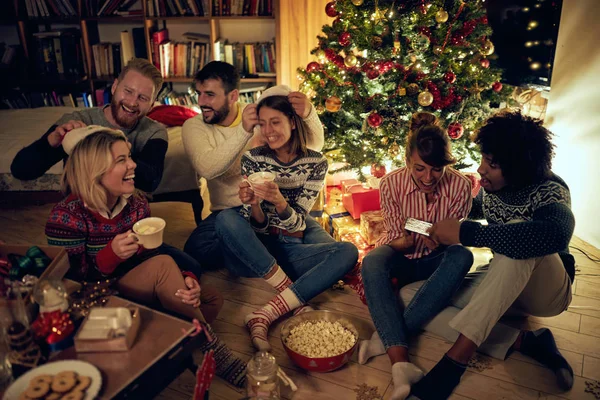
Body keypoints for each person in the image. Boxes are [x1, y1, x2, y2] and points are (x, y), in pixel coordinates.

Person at [44, 127, 246, 388]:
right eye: (121, 160)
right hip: (93, 300)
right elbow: (69, 284)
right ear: (95, 171)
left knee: (208, 299)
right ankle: (209, 345)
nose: (133, 165)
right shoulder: (66, 217)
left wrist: (185, 280)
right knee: (180, 294)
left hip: (131, 287)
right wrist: (109, 256)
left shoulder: (137, 204)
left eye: (129, 156)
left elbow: (151, 256)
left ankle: (159, 330)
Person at [408, 111, 575, 399]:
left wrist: (465, 234)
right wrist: (432, 214)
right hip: (505, 285)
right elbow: (468, 211)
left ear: (518, 169)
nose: (482, 168)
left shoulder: (550, 190)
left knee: (519, 235)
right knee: (413, 297)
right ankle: (525, 342)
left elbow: (555, 233)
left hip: (547, 292)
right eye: (484, 157)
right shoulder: (491, 187)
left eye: (492, 164)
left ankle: (455, 362)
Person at [214, 89, 358, 351]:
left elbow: (298, 224)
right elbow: (256, 225)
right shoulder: (253, 158)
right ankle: (295, 296)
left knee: (348, 251)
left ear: (293, 122)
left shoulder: (315, 163)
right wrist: (253, 204)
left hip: (289, 244)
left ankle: (265, 313)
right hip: (253, 252)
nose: (268, 131)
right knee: (226, 218)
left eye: (276, 122)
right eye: (263, 123)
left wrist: (280, 201)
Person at [358, 113, 474, 400]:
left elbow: (454, 235)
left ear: (447, 164)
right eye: (419, 168)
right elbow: (399, 234)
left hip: (438, 260)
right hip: (402, 254)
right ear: (408, 160)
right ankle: (399, 359)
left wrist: (432, 232)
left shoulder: (461, 185)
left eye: (436, 170)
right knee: (372, 261)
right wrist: (431, 230)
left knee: (463, 256)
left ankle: (384, 341)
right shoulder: (390, 183)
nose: (428, 178)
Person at [181, 61, 329, 270]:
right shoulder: (193, 126)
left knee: (331, 247)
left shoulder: (262, 112)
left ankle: (259, 254)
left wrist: (308, 114)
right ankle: (280, 253)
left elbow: (313, 148)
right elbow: (207, 167)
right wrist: (244, 132)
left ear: (233, 96)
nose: (201, 101)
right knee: (197, 251)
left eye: (210, 95)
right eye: (199, 93)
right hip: (230, 212)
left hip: (279, 205)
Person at [11, 58, 168, 193]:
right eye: (128, 91)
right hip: (80, 213)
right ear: (114, 87)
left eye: (143, 98)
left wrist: (101, 146)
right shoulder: (76, 121)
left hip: (130, 215)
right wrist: (50, 143)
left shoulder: (154, 132)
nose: (132, 102)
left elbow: (150, 182)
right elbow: (21, 170)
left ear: (152, 105)